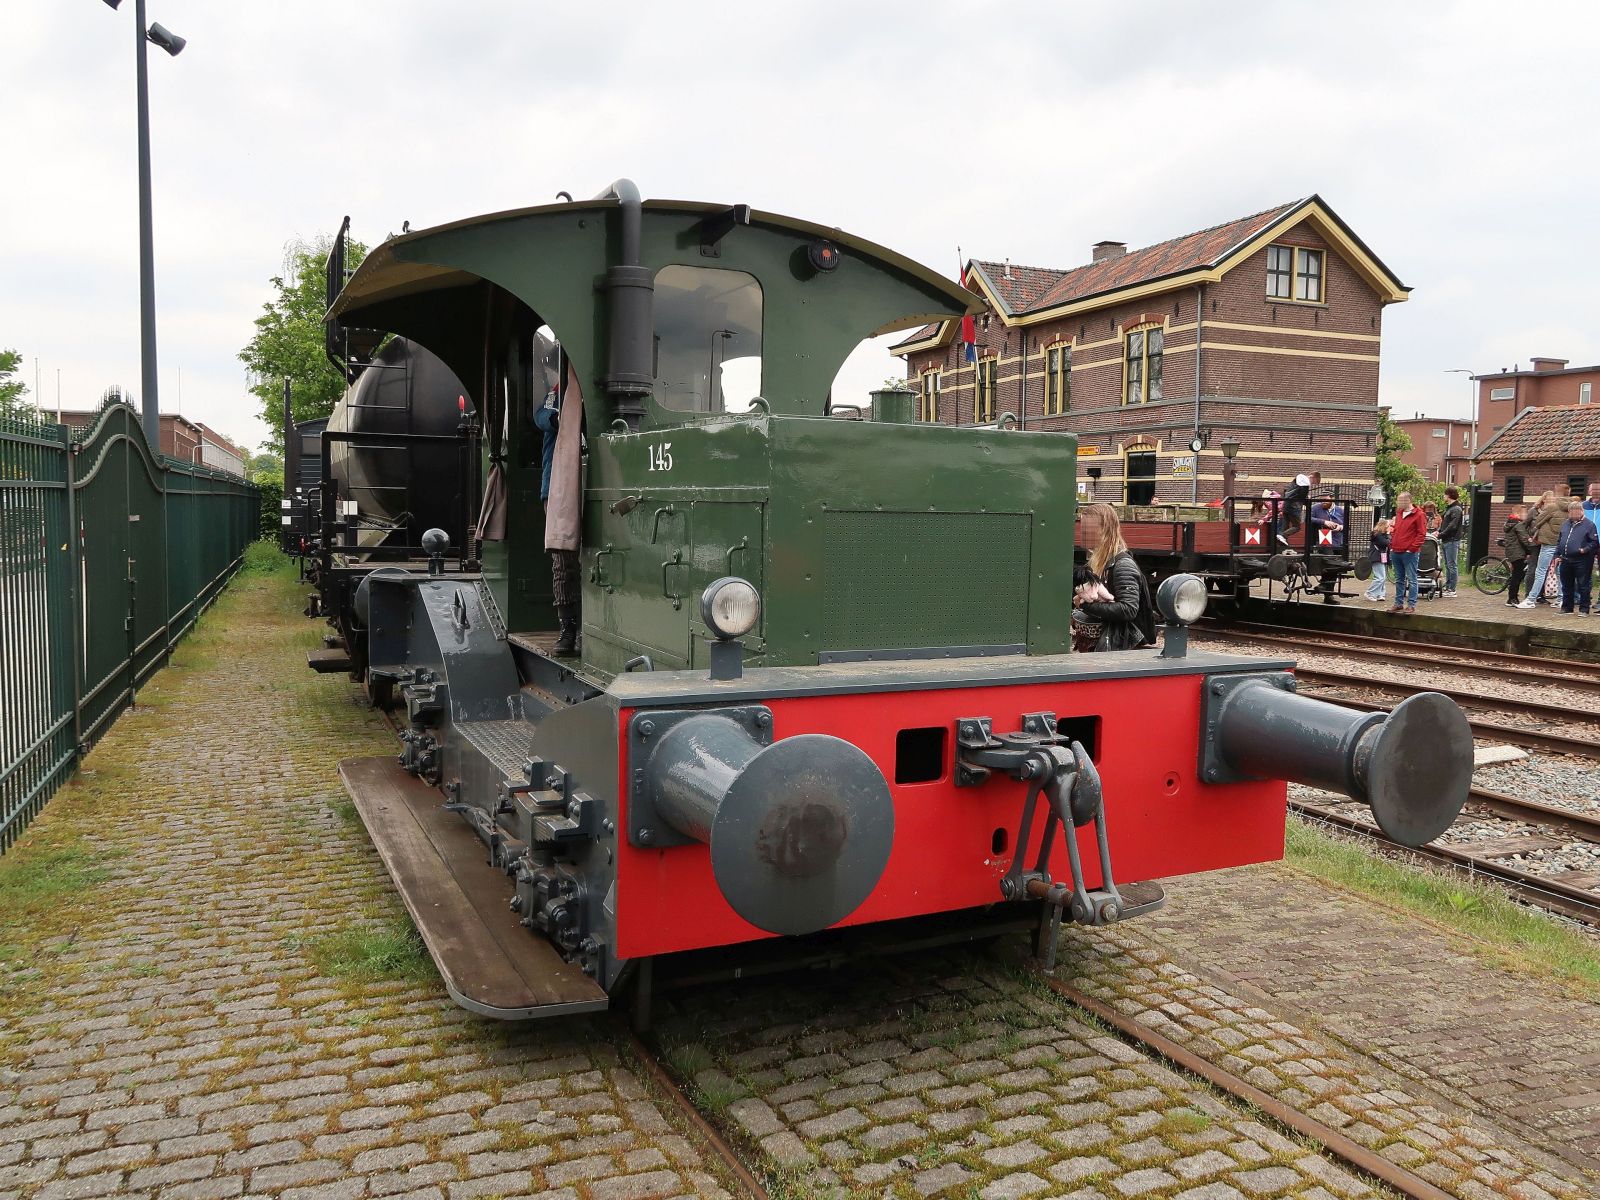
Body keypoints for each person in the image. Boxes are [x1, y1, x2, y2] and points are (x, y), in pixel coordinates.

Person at [536, 345, 585, 656]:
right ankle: (567, 628)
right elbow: (543, 418)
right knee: (563, 561)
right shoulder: (557, 394)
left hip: (594, 487)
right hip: (557, 488)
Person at [1076, 502, 1155, 651]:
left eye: (1088, 528)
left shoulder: (1122, 565)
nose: (1084, 533)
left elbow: (1128, 609)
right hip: (1109, 645)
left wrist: (1085, 606)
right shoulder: (1101, 561)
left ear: (1104, 530)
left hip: (1120, 647)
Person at [1518, 490, 1565, 609]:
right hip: (1546, 544)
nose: (1552, 501)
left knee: (1541, 571)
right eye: (1550, 499)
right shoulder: (1563, 509)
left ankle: (1531, 599)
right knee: (1550, 571)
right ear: (1543, 499)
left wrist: (1535, 533)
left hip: (1547, 543)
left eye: (1553, 499)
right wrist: (1528, 538)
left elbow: (1538, 523)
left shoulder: (1551, 509)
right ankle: (1558, 598)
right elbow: (1525, 525)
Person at [1555, 500, 1599, 615]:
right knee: (1566, 585)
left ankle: (1584, 609)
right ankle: (1567, 608)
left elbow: (1594, 543)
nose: (1573, 514)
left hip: (1582, 560)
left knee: (1583, 585)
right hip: (1565, 559)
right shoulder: (1565, 524)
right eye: (1571, 511)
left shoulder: (1589, 525)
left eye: (1576, 511)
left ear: (1581, 511)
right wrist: (1557, 555)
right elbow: (1559, 540)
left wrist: (1584, 550)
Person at [1389, 491, 1426, 615]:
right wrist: (1392, 544)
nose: (1399, 503)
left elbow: (1421, 534)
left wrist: (1412, 548)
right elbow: (1396, 530)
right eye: (1398, 501)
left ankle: (1411, 604)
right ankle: (1398, 603)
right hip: (1396, 550)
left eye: (1401, 501)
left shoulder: (1419, 515)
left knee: (1412, 578)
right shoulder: (1399, 513)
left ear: (1408, 501)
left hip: (1409, 552)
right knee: (1399, 579)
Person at [1308, 491, 1346, 602]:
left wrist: (1340, 527)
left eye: (1326, 500)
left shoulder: (1340, 510)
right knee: (1330, 563)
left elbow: (1346, 524)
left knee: (1336, 567)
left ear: (1332, 499)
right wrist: (1324, 522)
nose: (1323, 502)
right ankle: (1325, 588)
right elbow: (1308, 518)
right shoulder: (1315, 508)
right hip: (1324, 540)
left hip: (1337, 541)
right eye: (1322, 500)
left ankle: (1327, 593)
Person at [1500, 507, 1531, 607]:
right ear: (1518, 514)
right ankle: (1512, 598)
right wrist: (1531, 548)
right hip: (1518, 553)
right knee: (1517, 575)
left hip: (1512, 552)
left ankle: (1512, 596)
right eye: (1525, 513)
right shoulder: (1518, 525)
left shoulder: (1509, 524)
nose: (1526, 515)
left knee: (1516, 574)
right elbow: (1524, 539)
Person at [1438, 486, 1464, 597]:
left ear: (1449, 495)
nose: (1443, 496)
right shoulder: (1450, 508)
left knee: (1452, 564)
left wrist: (1442, 533)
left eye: (1445, 494)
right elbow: (1446, 523)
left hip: (1452, 540)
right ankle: (1448, 587)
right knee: (1448, 565)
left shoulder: (1456, 509)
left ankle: (1452, 589)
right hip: (1447, 539)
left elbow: (1452, 525)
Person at [1279, 471, 1319, 544]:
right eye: (1314, 482)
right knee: (1297, 527)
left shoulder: (1295, 481)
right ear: (1312, 477)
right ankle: (1282, 535)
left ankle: (1281, 544)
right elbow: (1302, 497)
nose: (1312, 484)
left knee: (1285, 526)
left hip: (1286, 505)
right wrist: (1308, 501)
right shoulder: (1305, 484)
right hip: (1294, 507)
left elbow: (1294, 493)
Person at [1364, 517, 1391, 603]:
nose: (1388, 527)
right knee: (1380, 577)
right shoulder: (1377, 535)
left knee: (1383, 577)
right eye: (1387, 526)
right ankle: (1370, 593)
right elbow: (1386, 543)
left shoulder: (1381, 535)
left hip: (1380, 557)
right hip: (1376, 557)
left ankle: (1380, 594)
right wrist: (1389, 535)